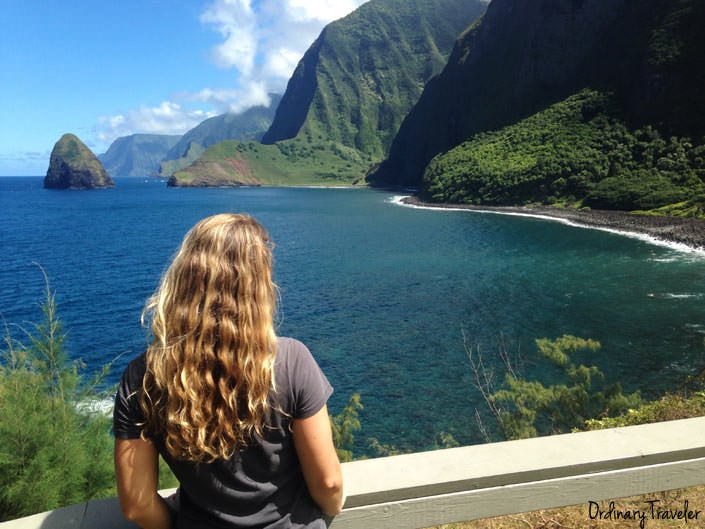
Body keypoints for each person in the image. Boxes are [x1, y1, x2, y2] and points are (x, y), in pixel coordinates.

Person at [113, 213, 344, 529]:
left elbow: (137, 506)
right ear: (258, 284)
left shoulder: (142, 377)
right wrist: (332, 509)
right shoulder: (291, 360)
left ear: (184, 277)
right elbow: (329, 483)